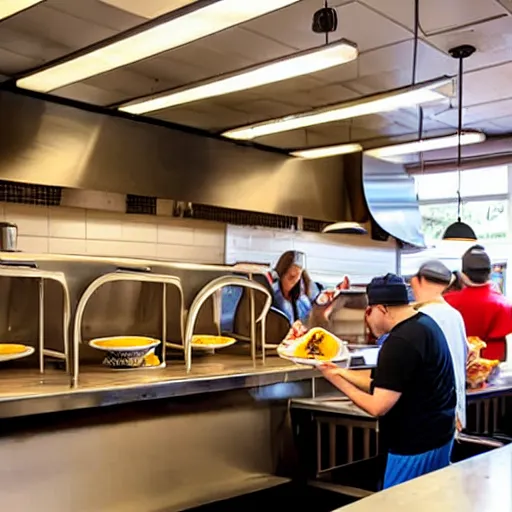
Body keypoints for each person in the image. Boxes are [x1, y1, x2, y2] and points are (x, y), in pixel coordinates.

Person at [319, 273, 456, 489]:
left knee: (398, 506)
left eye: (368, 311)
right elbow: (387, 382)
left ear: (382, 309)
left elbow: (377, 406)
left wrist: (333, 380)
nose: (367, 319)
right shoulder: (424, 325)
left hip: (413, 449)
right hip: (438, 438)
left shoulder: (400, 342)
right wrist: (339, 371)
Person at [410, 260, 468, 431]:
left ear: (418, 280)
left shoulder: (420, 317)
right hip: (453, 411)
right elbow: (466, 355)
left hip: (432, 415)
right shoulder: (454, 315)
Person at [445, 245, 512, 361]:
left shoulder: (446, 302)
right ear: (489, 272)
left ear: (463, 275)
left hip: (457, 363)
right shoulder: (504, 305)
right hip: (491, 366)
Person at [269, 250, 319, 324]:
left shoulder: (305, 289)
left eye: (298, 277)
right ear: (281, 274)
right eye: (291, 277)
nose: (294, 281)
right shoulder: (272, 293)